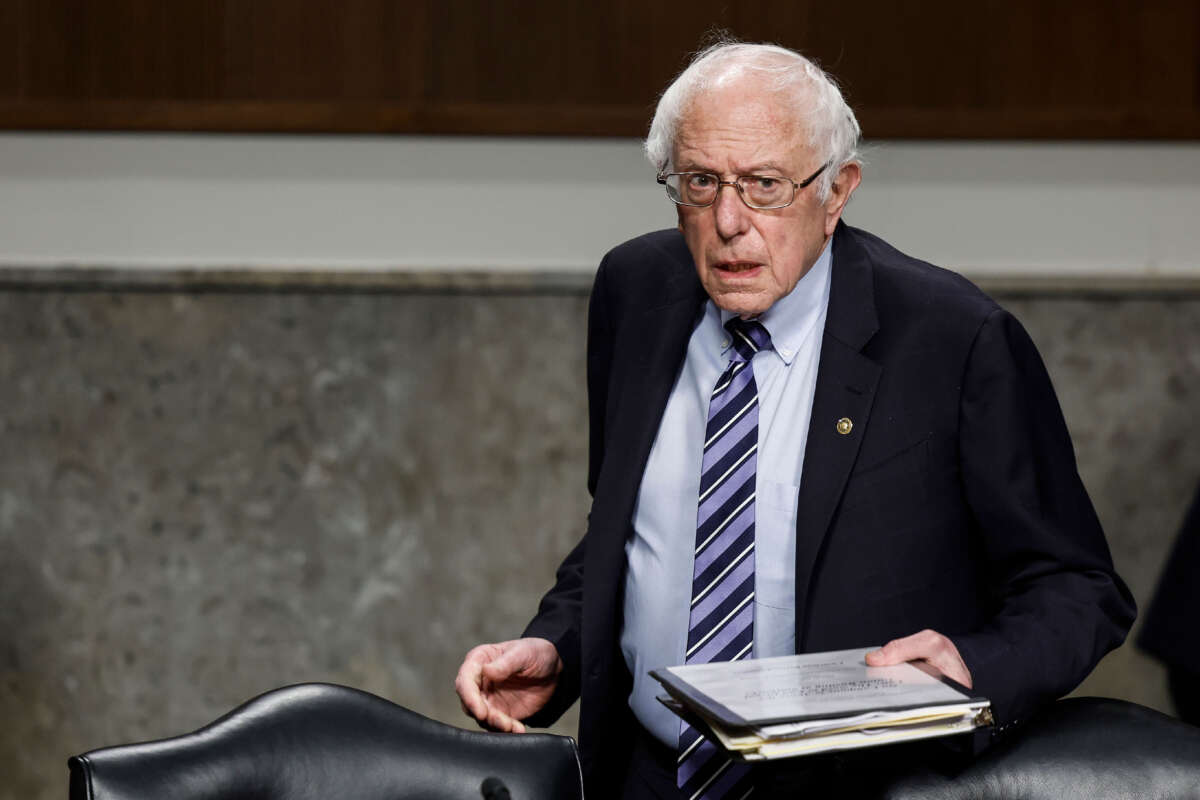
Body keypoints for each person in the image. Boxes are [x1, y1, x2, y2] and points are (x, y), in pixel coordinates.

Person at [456, 41, 1135, 798]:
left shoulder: (955, 342)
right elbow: (635, 529)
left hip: (849, 786)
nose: (728, 222)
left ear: (837, 191)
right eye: (701, 182)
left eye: (765, 186)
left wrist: (976, 667)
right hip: (645, 774)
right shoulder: (635, 291)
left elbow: (1078, 585)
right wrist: (558, 644)